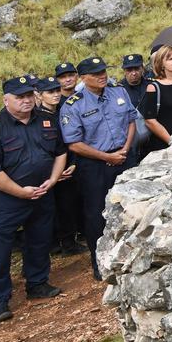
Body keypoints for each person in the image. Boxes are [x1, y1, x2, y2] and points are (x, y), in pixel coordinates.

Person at [0, 75, 66, 323]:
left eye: (29, 95)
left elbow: (60, 152)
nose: (26, 101)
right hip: (6, 201)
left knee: (39, 241)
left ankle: (37, 284)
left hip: (42, 194)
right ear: (6, 100)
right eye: (20, 97)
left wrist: (54, 178)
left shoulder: (47, 120)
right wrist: (20, 191)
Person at [57, 57, 137, 280]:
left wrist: (125, 149)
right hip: (95, 165)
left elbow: (131, 120)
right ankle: (99, 262)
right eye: (96, 73)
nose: (102, 75)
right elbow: (74, 143)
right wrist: (107, 156)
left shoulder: (118, 92)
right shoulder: (73, 105)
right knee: (96, 214)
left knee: (132, 207)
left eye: (103, 71)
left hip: (124, 156)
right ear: (83, 78)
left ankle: (132, 254)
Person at [37, 78, 83, 258]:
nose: (55, 94)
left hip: (68, 168)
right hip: (47, 173)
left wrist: (73, 164)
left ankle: (69, 243)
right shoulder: (36, 117)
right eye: (50, 92)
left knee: (68, 207)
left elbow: (74, 139)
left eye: (57, 90)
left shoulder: (66, 109)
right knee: (48, 212)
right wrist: (52, 172)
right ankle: (54, 244)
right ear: (39, 95)